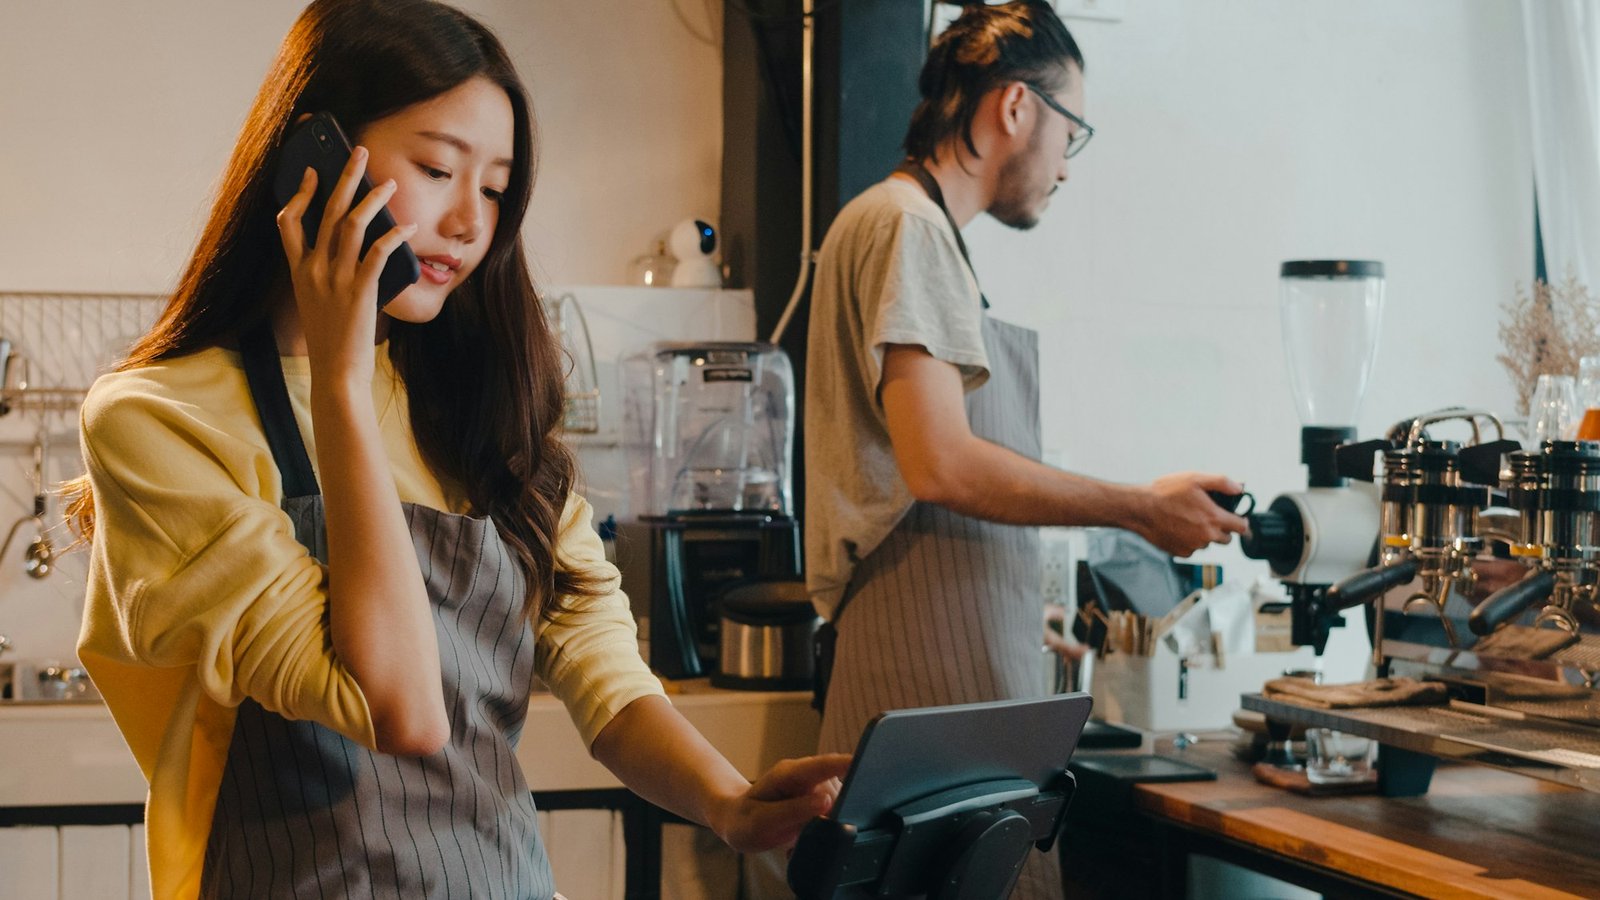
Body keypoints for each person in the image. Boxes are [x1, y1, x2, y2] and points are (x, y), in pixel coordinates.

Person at [67, 2, 848, 897]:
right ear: (311, 158)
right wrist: (340, 382)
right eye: (438, 167)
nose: (472, 222)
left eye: (494, 187)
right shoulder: (156, 419)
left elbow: (595, 658)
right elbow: (395, 705)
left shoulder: (480, 407)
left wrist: (727, 800)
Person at [804, 3, 1247, 896]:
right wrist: (1140, 508)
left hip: (943, 653)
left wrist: (1016, 603)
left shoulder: (902, 228)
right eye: (1070, 130)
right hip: (925, 667)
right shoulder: (907, 229)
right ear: (1014, 109)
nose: (1066, 167)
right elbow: (941, 464)